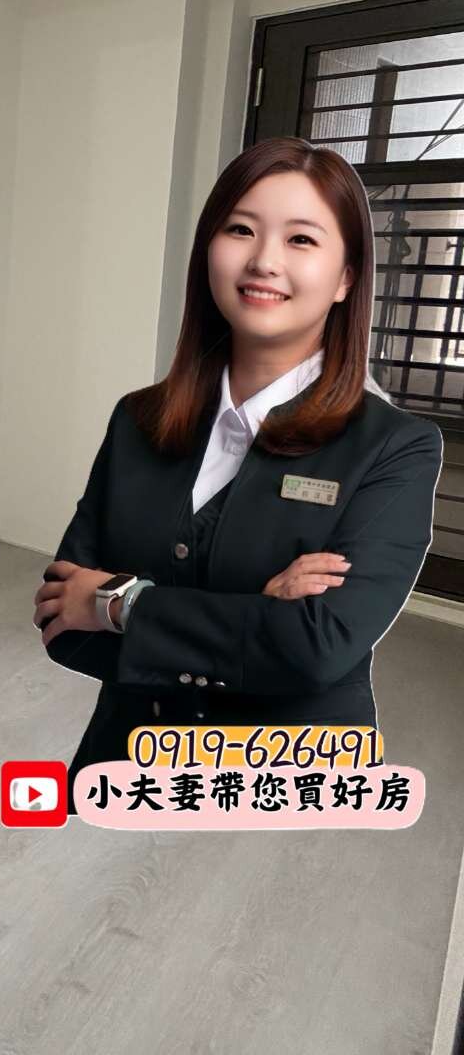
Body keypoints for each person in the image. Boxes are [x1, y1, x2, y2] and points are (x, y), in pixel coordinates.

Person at [33, 136, 443, 811]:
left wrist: (122, 605)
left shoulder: (398, 447)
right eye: (241, 229)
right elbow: (62, 621)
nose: (264, 261)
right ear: (209, 252)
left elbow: (319, 650)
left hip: (289, 780)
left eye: (301, 239)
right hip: (128, 758)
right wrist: (258, 616)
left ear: (346, 278)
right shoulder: (137, 420)